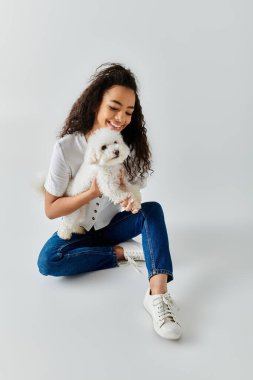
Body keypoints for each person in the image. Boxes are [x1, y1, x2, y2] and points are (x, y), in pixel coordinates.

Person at [37, 62, 182, 340]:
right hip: (78, 230)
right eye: (114, 107)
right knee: (48, 262)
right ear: (95, 104)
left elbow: (132, 193)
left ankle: (158, 295)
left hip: (112, 225)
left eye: (128, 111)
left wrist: (130, 199)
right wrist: (90, 193)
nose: (121, 117)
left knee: (152, 212)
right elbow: (50, 209)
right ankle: (122, 253)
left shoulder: (125, 148)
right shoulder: (66, 148)